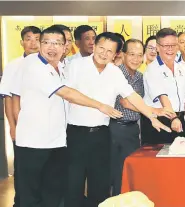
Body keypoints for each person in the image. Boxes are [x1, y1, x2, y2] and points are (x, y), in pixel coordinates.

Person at [11, 26, 121, 207]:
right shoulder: (32, 64)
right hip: (33, 143)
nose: (52, 47)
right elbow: (67, 93)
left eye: (57, 43)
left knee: (53, 194)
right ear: (40, 44)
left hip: (57, 142)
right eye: (47, 42)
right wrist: (100, 105)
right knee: (30, 196)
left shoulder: (62, 67)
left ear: (66, 47)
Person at [65, 32, 173, 207]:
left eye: (110, 51)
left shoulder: (114, 72)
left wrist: (151, 116)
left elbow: (131, 96)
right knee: (73, 184)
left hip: (101, 134)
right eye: (101, 48)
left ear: (116, 54)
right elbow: (69, 94)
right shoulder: (76, 65)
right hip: (76, 133)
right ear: (94, 46)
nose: (104, 53)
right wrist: (100, 105)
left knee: (100, 185)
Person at [0, 25, 40, 207]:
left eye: (37, 39)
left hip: (45, 128)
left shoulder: (48, 63)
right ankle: (21, 202)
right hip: (23, 127)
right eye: (29, 38)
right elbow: (8, 98)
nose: (33, 43)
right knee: (23, 169)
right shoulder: (13, 66)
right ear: (22, 42)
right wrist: (13, 127)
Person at [109, 39, 147, 196]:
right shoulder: (114, 73)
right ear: (123, 55)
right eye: (131, 54)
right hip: (114, 128)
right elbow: (125, 101)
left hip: (132, 129)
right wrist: (152, 112)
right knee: (115, 173)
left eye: (139, 55)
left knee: (130, 171)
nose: (135, 59)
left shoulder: (140, 76)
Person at [142, 28, 185, 144]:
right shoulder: (152, 69)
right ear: (157, 47)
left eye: (173, 45)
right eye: (166, 45)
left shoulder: (182, 67)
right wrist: (173, 118)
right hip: (160, 120)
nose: (170, 49)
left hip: (179, 119)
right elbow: (163, 98)